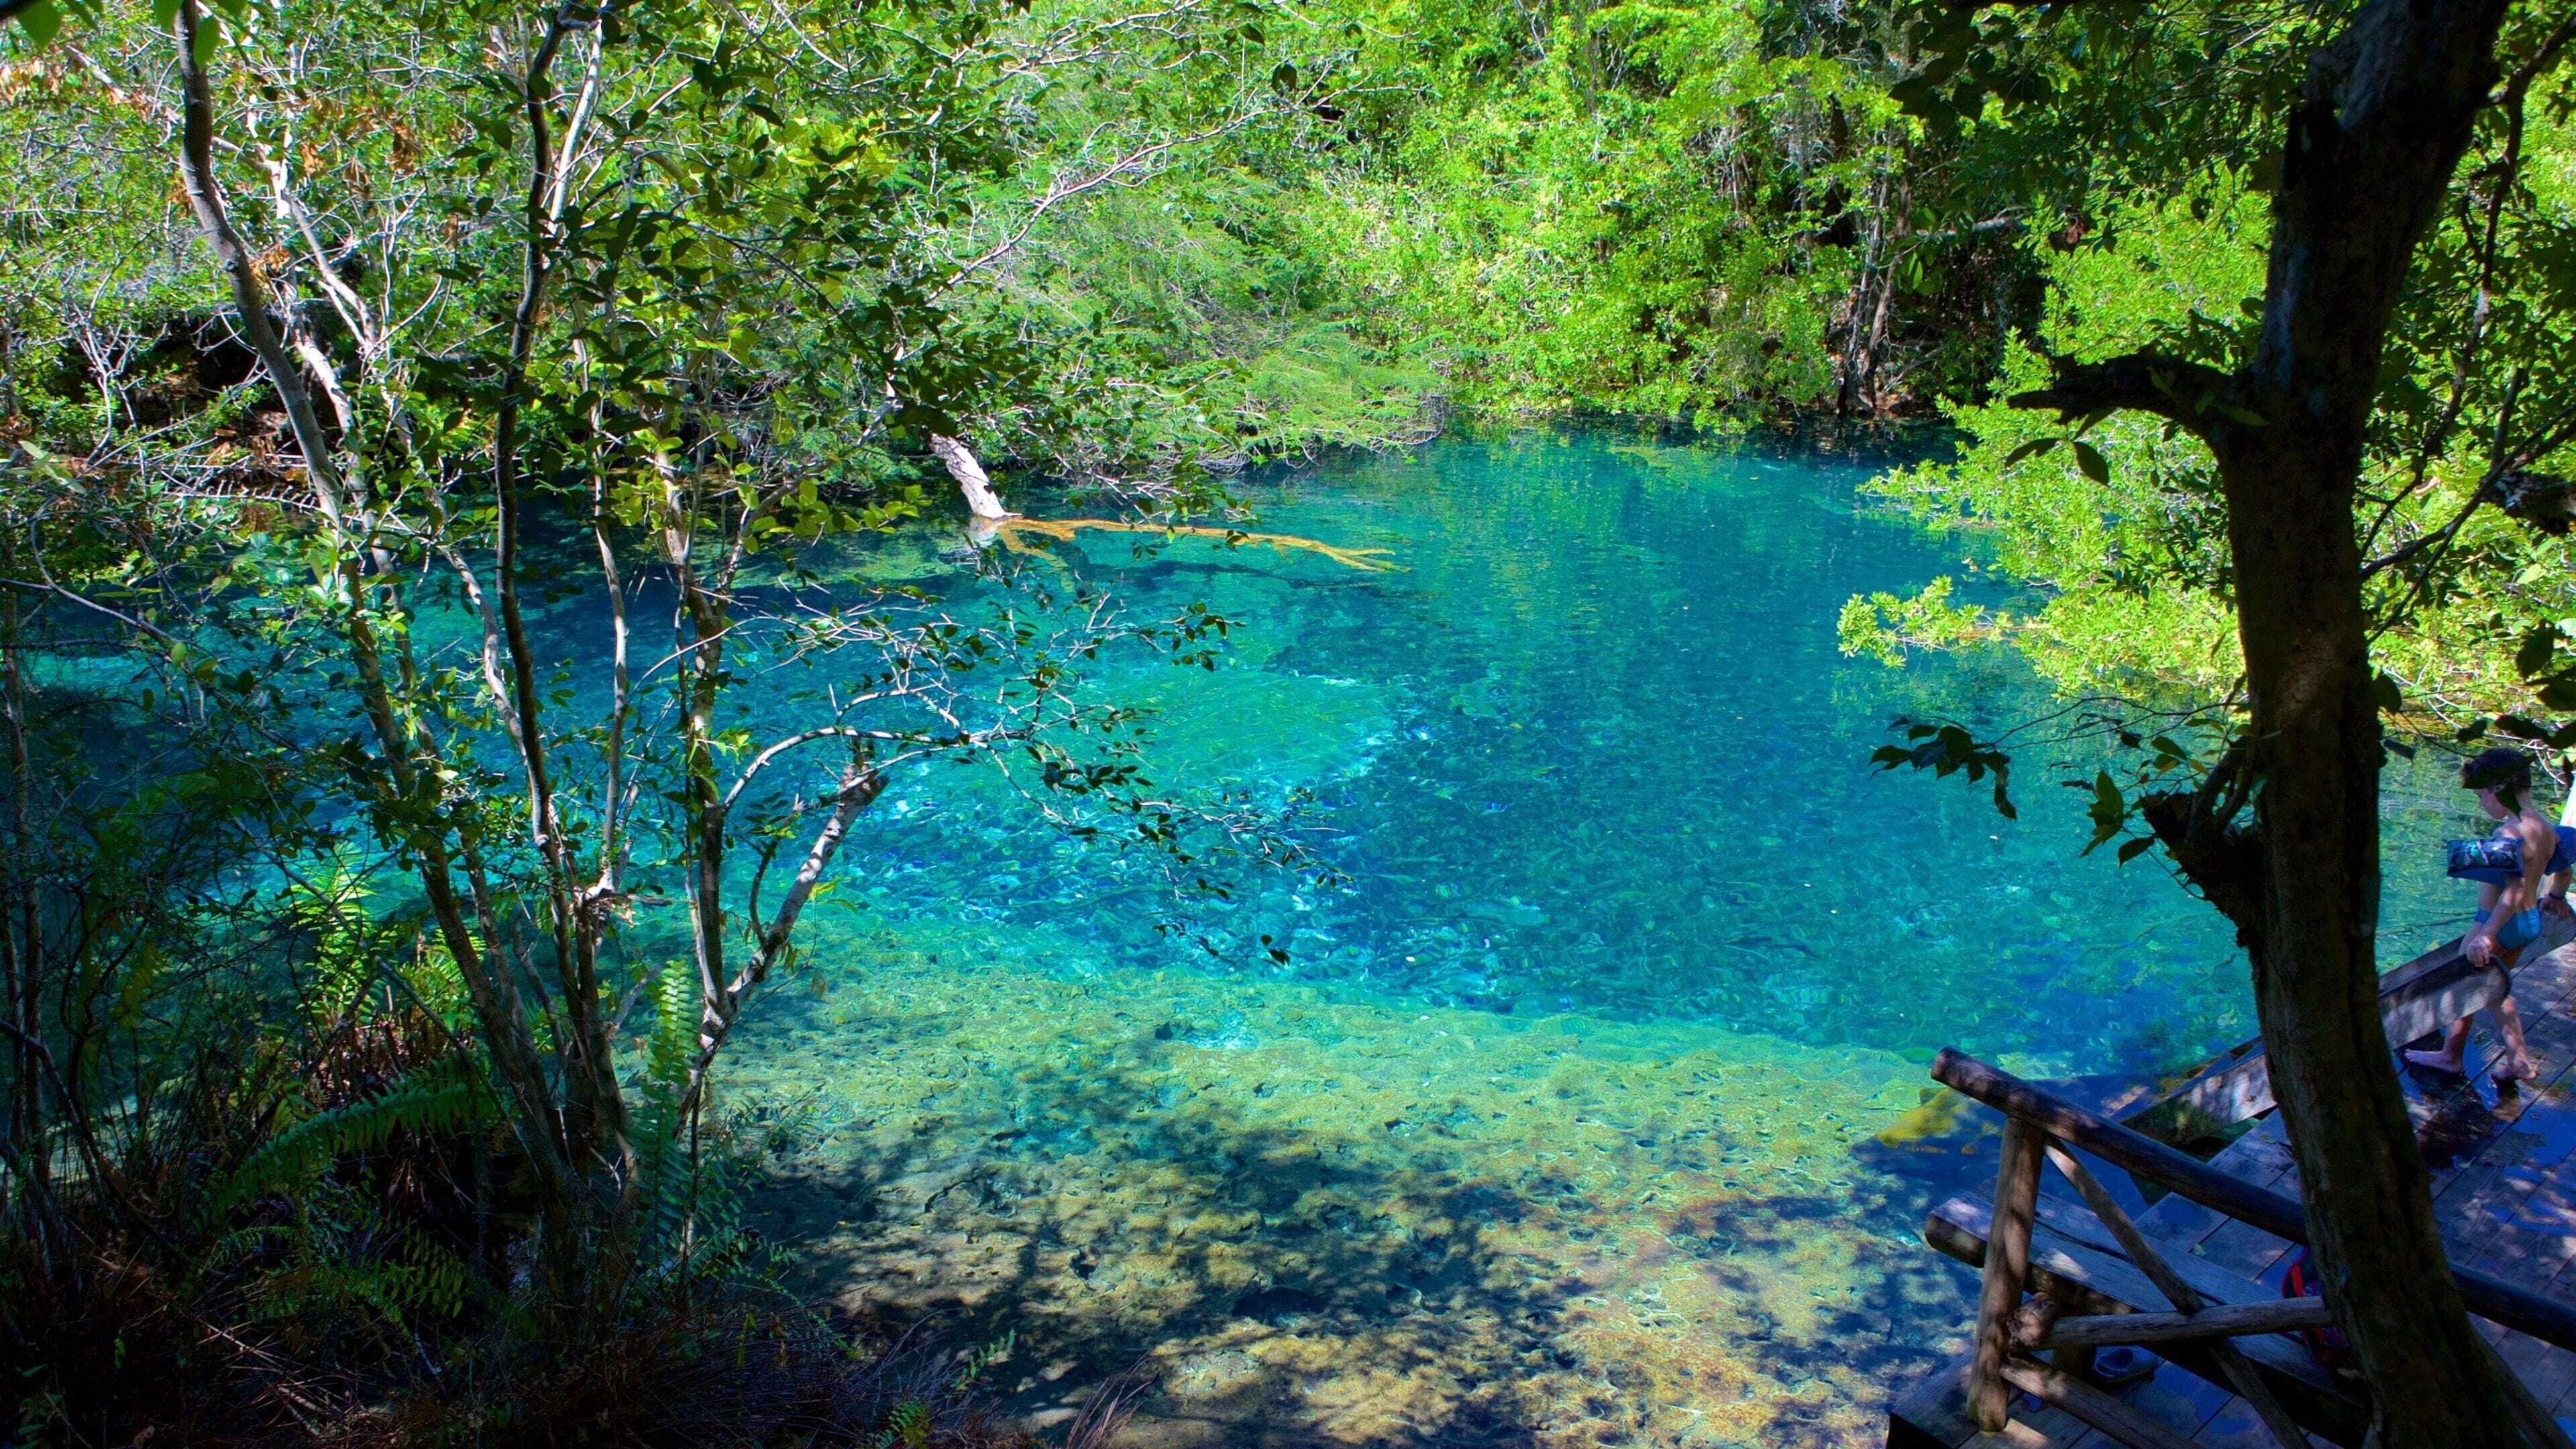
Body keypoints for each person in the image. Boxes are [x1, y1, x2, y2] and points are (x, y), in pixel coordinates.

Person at [2406, 747, 2565, 1083]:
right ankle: (2511, 1061)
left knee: (2466, 986)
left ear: (2499, 787)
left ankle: (2455, 1057)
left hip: (2495, 922)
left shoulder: (2507, 834)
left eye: (2481, 796)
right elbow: (2563, 869)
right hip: (2527, 922)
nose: (2480, 804)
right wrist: (2556, 897)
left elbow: (2513, 890)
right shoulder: (2545, 827)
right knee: (2492, 990)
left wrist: (2486, 935)